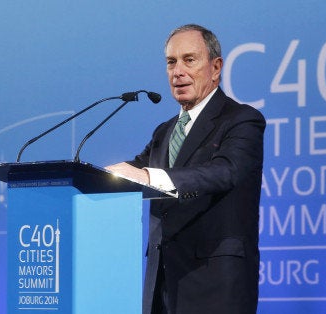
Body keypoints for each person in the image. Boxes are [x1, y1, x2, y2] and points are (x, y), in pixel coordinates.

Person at [106, 24, 265, 313]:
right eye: (171, 62)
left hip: (214, 283)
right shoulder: (164, 132)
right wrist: (91, 177)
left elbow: (226, 171)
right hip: (162, 283)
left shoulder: (242, 120)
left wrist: (147, 176)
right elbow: (136, 168)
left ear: (215, 67)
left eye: (189, 60)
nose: (177, 71)